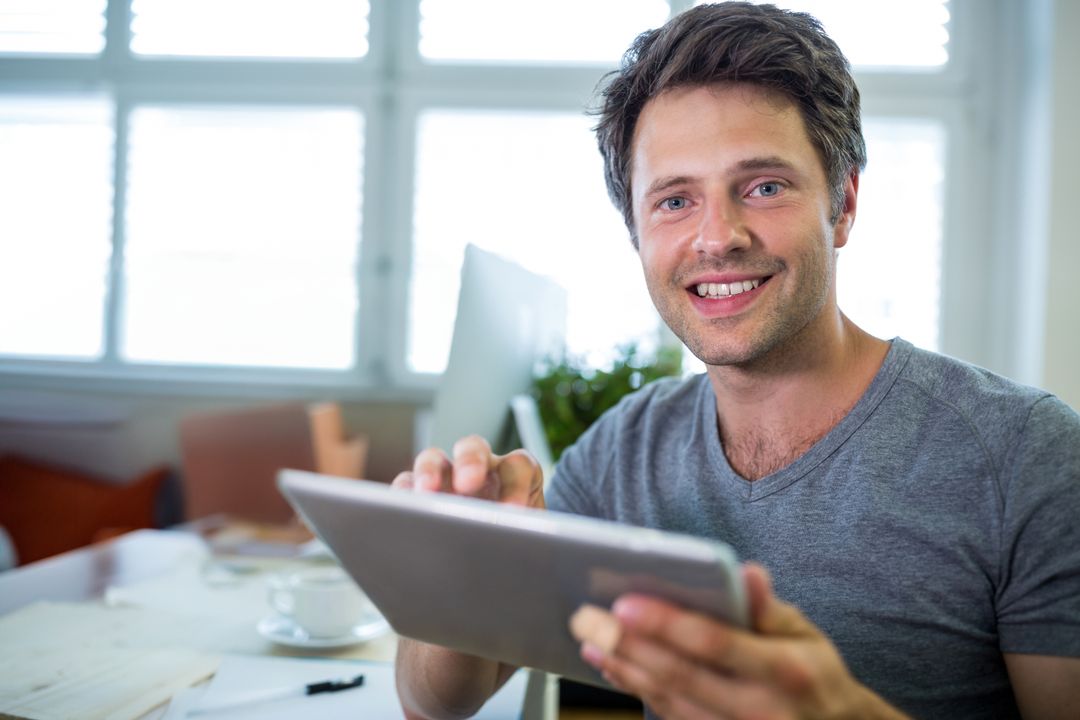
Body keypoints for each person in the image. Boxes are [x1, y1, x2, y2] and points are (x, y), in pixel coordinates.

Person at [393, 3, 1080, 718]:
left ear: (842, 206)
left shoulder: (1027, 457)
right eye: (674, 200)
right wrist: (461, 562)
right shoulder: (624, 454)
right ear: (636, 233)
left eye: (763, 187)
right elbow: (432, 703)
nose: (716, 237)